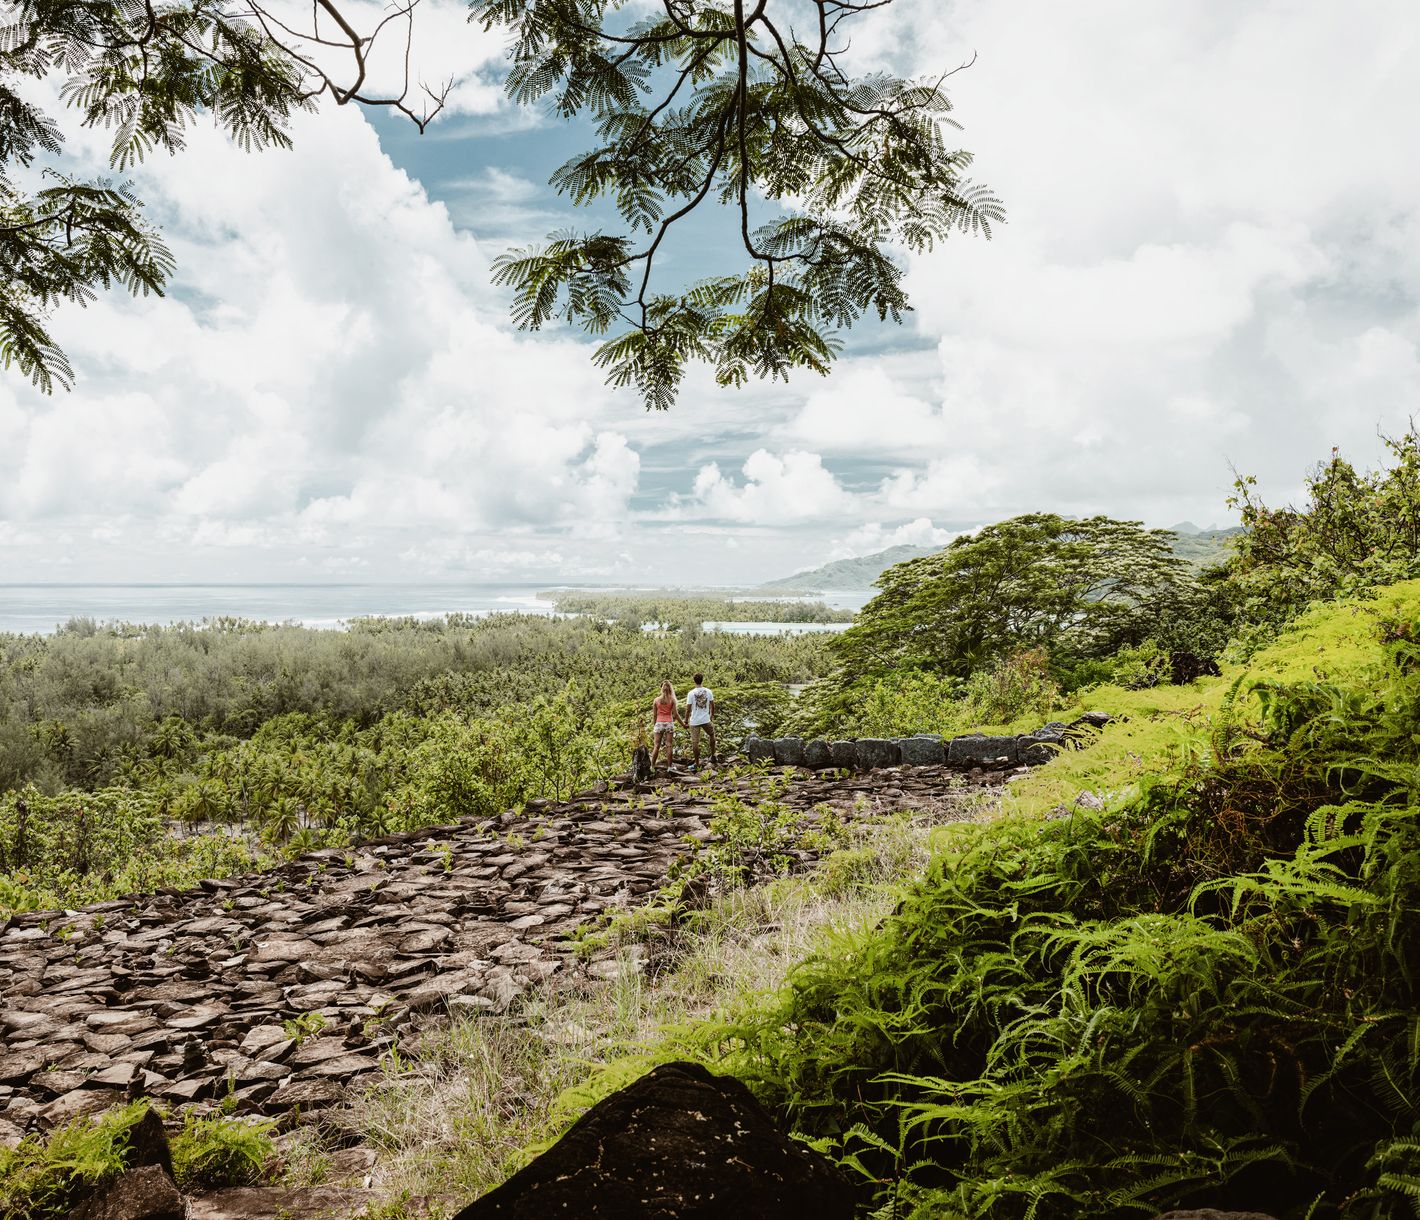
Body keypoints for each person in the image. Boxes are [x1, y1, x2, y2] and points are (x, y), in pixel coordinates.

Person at [684, 671, 717, 768]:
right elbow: (712, 706)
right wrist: (711, 715)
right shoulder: (708, 691)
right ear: (702, 680)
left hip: (694, 721)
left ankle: (697, 763)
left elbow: (688, 709)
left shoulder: (691, 693)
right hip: (706, 719)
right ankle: (713, 755)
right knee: (711, 734)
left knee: (695, 742)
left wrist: (686, 721)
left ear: (694, 681)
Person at [650, 680, 679, 771]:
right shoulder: (672, 700)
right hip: (669, 723)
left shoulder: (656, 700)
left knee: (656, 746)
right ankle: (670, 767)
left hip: (659, 723)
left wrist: (655, 725)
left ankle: (652, 766)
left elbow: (654, 715)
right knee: (669, 745)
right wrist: (683, 724)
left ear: (661, 688)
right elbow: (675, 714)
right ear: (670, 688)